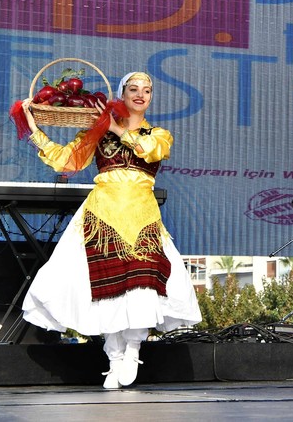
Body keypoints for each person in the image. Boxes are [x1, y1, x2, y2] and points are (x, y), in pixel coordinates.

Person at [20, 72, 202, 389]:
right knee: (106, 286)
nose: (141, 94)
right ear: (122, 93)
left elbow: (150, 150)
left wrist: (118, 129)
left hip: (142, 215)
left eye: (147, 90)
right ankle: (114, 355)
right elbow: (67, 161)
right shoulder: (98, 132)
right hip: (102, 214)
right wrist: (33, 128)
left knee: (142, 284)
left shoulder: (160, 134)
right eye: (133, 89)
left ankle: (132, 348)